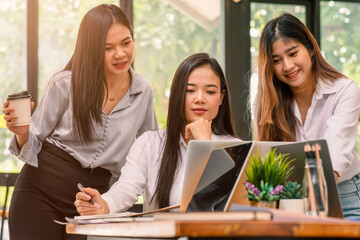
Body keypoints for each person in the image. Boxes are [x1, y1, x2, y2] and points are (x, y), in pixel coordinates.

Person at [2, 4, 157, 240]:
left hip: (92, 203)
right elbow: (32, 144)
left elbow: (150, 152)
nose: (120, 54)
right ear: (92, 49)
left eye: (126, 43)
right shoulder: (64, 85)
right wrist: (23, 132)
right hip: (39, 194)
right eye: (108, 48)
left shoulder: (142, 91)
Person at [74, 52, 238, 215]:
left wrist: (205, 144)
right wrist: (104, 205)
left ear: (221, 97)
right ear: (177, 94)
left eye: (210, 92)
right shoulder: (150, 143)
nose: (200, 98)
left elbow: (230, 205)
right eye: (190, 90)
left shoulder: (236, 149)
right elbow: (126, 188)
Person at [254, 13, 360, 219]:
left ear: (310, 49)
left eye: (293, 53)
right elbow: (267, 164)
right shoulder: (269, 102)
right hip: (291, 201)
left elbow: (335, 155)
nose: (287, 66)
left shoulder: (345, 90)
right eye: (277, 60)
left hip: (345, 198)